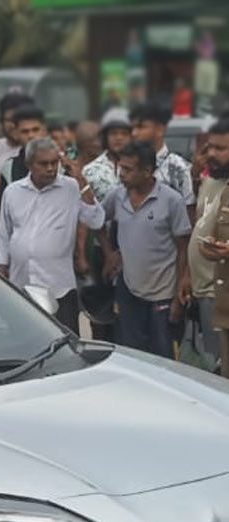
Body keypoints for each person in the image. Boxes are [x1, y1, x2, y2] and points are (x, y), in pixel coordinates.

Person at [0, 138, 104, 333]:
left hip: (59, 287)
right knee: (24, 338)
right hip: (21, 284)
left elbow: (96, 220)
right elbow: (4, 234)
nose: (50, 168)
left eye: (54, 163)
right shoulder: (13, 191)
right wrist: (2, 269)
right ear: (29, 164)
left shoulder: (71, 188)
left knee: (64, 339)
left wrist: (82, 181)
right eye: (44, 163)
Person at [101, 141, 191, 359]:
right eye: (120, 167)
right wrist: (109, 253)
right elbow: (96, 221)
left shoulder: (171, 201)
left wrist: (181, 288)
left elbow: (183, 247)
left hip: (163, 293)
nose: (121, 174)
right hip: (129, 291)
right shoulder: (117, 196)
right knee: (133, 356)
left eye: (128, 169)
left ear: (148, 171)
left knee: (163, 357)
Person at [76, 110, 133, 341]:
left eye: (123, 133)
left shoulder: (144, 164)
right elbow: (85, 215)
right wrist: (83, 254)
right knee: (100, 313)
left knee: (128, 316)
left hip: (135, 250)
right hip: (102, 249)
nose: (118, 138)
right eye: (113, 133)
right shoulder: (91, 171)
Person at [189, 119, 229, 373]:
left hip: (220, 293)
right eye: (209, 147)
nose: (211, 154)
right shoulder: (212, 182)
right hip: (206, 292)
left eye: (220, 148)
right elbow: (201, 229)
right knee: (216, 371)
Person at [130, 101, 195, 218]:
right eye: (132, 128)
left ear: (160, 129)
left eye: (141, 127)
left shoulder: (178, 167)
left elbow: (188, 212)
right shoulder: (127, 165)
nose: (134, 133)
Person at [0, 105, 50, 184]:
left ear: (45, 130)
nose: (31, 136)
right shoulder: (9, 167)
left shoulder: (60, 164)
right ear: (16, 134)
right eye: (25, 131)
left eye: (35, 130)